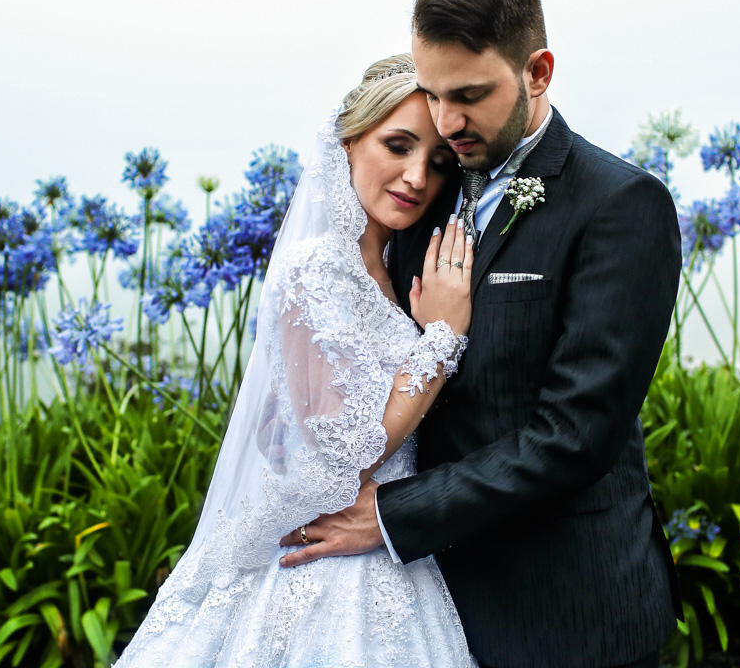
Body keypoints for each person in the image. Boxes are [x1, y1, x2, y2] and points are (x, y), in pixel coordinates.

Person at [277, 0, 685, 668]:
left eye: (469, 95)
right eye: (433, 95)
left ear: (538, 72)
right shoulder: (428, 189)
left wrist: (390, 517)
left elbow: (575, 435)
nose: (447, 122)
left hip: (563, 612)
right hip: (423, 608)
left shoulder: (620, 206)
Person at [114, 54, 481, 668]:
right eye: (397, 146)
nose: (418, 176)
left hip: (385, 547)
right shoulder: (317, 268)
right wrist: (441, 340)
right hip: (337, 561)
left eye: (438, 162)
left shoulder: (387, 273)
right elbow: (343, 454)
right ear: (349, 142)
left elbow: (285, 424)